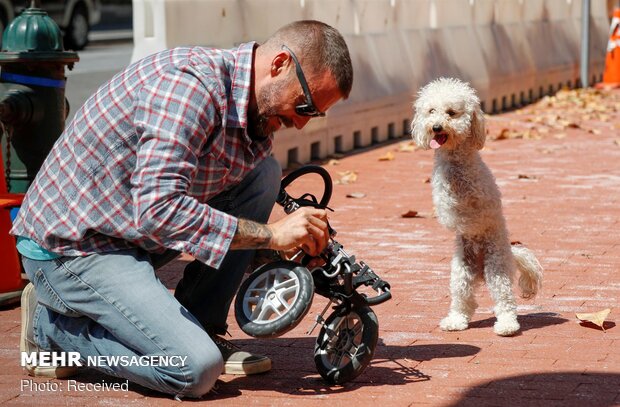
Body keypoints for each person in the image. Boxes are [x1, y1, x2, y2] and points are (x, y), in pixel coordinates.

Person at [11, 20, 353, 398]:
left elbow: (201, 217)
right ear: (279, 64)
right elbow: (159, 210)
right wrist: (272, 235)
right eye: (304, 106)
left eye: (314, 115)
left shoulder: (255, 110)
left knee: (264, 174)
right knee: (194, 368)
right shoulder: (190, 87)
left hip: (128, 231)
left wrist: (280, 252)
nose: (302, 123)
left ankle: (201, 324)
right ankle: (52, 331)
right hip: (73, 249)